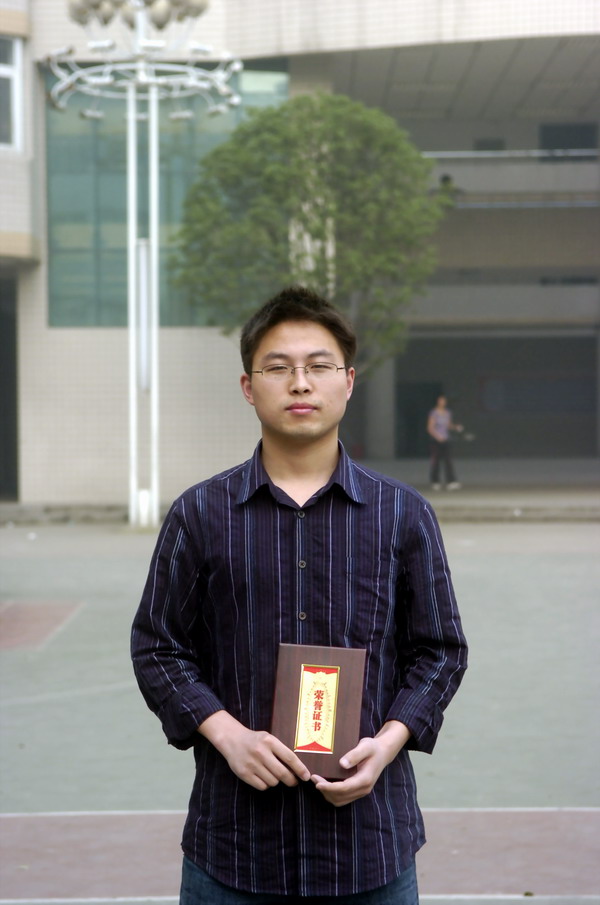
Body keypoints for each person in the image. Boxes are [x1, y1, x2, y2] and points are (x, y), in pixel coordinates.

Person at [131, 286, 468, 904]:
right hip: (234, 850)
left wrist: (388, 743)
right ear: (248, 386)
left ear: (348, 381)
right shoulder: (200, 514)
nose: (300, 383)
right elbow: (158, 646)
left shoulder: (403, 514)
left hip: (369, 850)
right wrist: (228, 735)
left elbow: (440, 651)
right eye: (278, 368)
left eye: (318, 365)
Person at [427, 395, 464, 491]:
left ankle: (451, 481)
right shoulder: (434, 413)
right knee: (436, 462)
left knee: (448, 461)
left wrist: (456, 427)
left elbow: (448, 425)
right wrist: (438, 437)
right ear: (438, 402)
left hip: (446, 440)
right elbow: (430, 428)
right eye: (440, 401)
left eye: (443, 401)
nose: (442, 402)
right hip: (435, 441)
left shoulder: (447, 412)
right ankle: (435, 482)